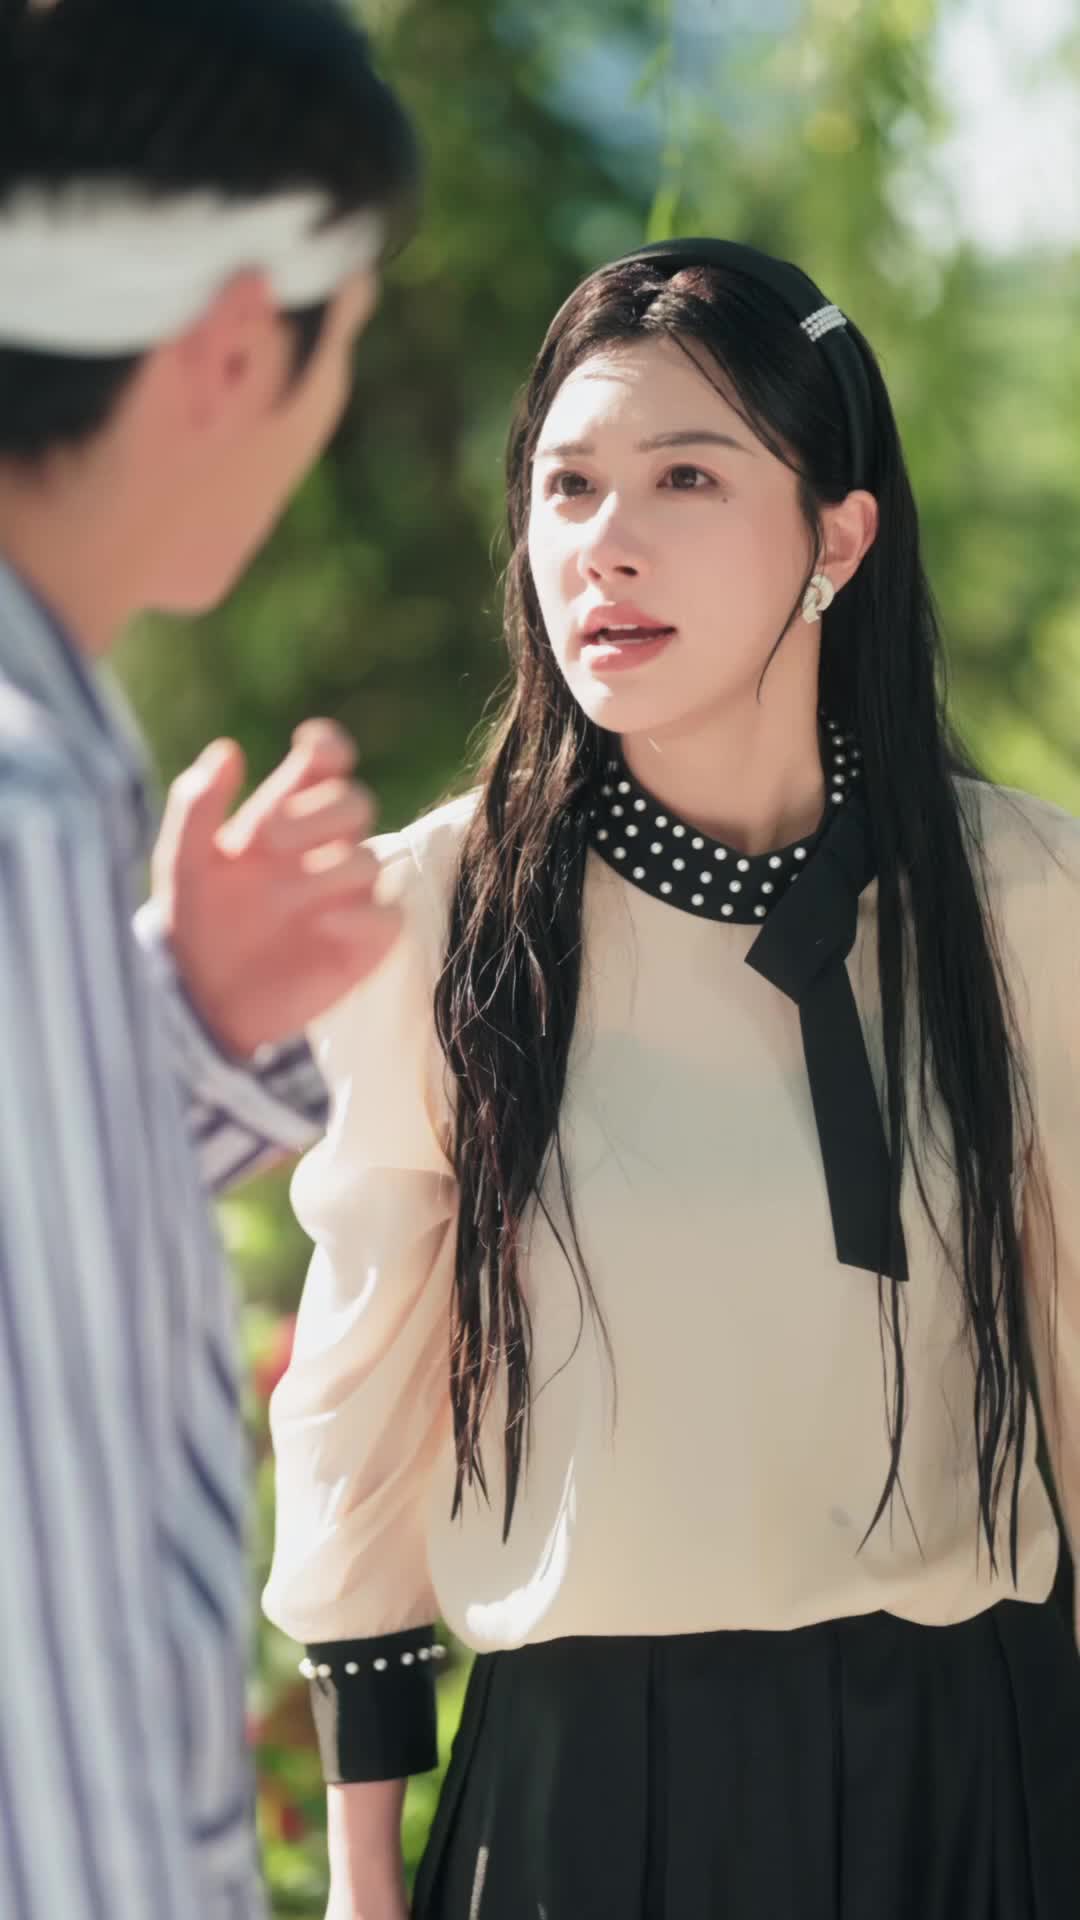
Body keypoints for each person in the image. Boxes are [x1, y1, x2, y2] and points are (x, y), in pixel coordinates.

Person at [264, 238, 1080, 1920]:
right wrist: (358, 1880)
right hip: (593, 1804)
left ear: (838, 536)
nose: (606, 544)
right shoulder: (441, 915)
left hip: (976, 1773)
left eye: (686, 478)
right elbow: (360, 1404)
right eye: (567, 488)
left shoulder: (1025, 899)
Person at [0, 2, 419, 1917]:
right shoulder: (25, 818)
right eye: (352, 342)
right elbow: (57, 1657)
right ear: (242, 342)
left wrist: (171, 1020)